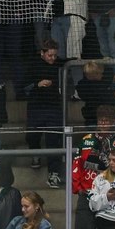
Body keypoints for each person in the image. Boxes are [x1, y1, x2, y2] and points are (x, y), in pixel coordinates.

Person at [22, 40, 65, 189]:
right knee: (32, 135)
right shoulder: (33, 65)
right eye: (50, 55)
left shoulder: (60, 65)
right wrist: (37, 84)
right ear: (42, 53)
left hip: (54, 108)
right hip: (36, 107)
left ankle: (54, 173)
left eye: (54, 55)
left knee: (53, 140)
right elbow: (23, 86)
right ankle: (35, 153)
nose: (52, 58)